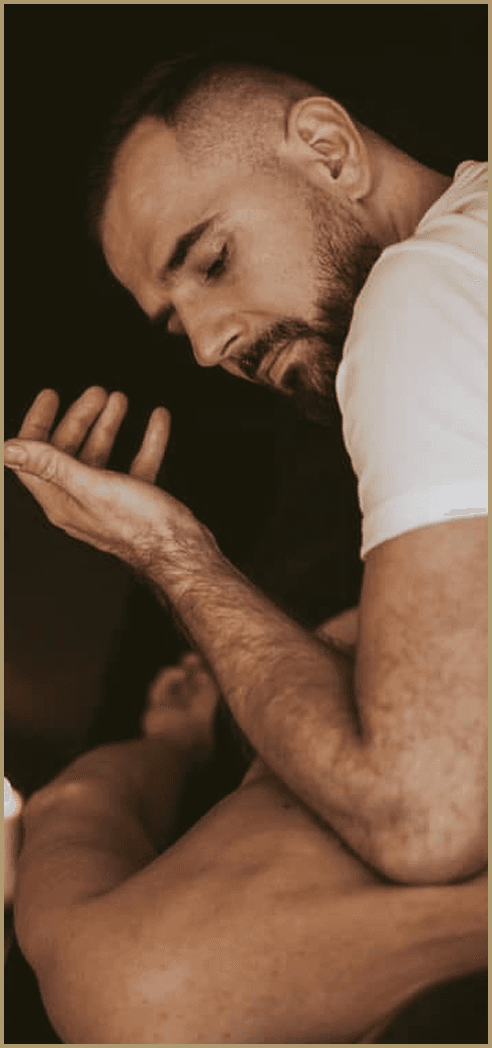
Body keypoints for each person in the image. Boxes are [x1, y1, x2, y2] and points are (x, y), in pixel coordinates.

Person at [6, 53, 487, 1043]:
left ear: (330, 151)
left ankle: (175, 745)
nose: (206, 345)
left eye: (213, 261)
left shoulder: (421, 295)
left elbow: (425, 819)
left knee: (117, 984)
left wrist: (173, 553)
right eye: (174, 322)